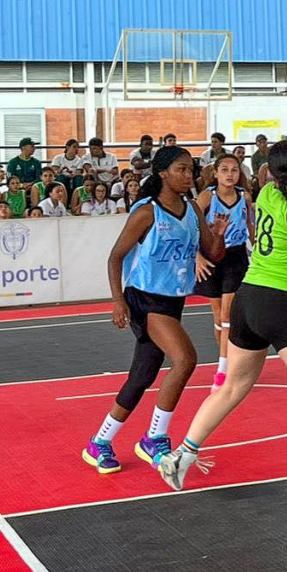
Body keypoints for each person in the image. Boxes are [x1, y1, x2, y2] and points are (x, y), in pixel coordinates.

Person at [156, 141, 287, 506]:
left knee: (232, 386)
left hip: (247, 299)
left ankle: (181, 456)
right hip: (278, 301)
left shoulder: (267, 192)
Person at [81, 146, 227, 475]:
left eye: (191, 169)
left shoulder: (192, 209)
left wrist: (217, 235)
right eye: (181, 169)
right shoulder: (147, 212)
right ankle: (154, 437)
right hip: (144, 298)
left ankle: (99, 442)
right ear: (163, 173)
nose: (189, 175)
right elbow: (115, 257)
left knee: (142, 376)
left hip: (172, 299)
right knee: (185, 359)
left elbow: (214, 255)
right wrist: (118, 301)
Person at [193, 155, 256, 393]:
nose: (230, 174)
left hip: (235, 256)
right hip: (210, 255)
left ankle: (222, 370)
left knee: (228, 315)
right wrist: (197, 256)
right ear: (216, 173)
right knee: (218, 316)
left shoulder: (245, 198)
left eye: (234, 170)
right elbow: (191, 223)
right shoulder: (207, 196)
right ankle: (227, 363)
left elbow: (249, 225)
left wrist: (257, 245)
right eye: (224, 170)